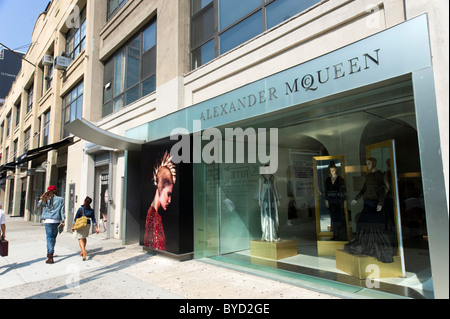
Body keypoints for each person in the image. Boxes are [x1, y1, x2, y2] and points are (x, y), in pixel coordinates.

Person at [345, 157, 396, 263]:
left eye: (368, 163)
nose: (367, 165)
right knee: (363, 223)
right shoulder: (368, 175)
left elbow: (381, 190)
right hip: (367, 203)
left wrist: (381, 203)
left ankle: (375, 246)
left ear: (373, 163)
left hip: (374, 203)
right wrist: (356, 198)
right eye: (366, 163)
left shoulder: (379, 175)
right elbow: (364, 189)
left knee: (374, 226)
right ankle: (366, 244)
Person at [144, 151, 176, 251]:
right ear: (160, 188)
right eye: (168, 194)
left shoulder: (154, 215)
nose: (169, 200)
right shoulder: (153, 218)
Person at [38, 185, 65, 264]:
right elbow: (62, 211)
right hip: (56, 221)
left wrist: (42, 197)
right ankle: (51, 252)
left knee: (49, 238)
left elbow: (38, 205)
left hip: (48, 221)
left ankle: (50, 256)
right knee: (53, 238)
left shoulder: (46, 199)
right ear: (56, 191)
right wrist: (63, 220)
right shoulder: (61, 199)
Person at [324, 161, 347, 241]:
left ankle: (341, 235)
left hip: (338, 200)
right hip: (331, 201)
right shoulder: (327, 180)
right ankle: (334, 234)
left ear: (336, 169)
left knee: (339, 217)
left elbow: (343, 191)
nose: (332, 171)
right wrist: (326, 200)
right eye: (330, 170)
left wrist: (344, 201)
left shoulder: (340, 179)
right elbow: (326, 190)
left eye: (333, 170)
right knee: (333, 218)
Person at [71, 196, 99, 261]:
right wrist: (96, 228)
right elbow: (93, 220)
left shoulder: (81, 209)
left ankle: (84, 251)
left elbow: (75, 218)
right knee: (84, 237)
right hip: (87, 224)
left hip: (81, 224)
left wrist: (73, 226)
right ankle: (82, 251)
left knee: (80, 238)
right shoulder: (91, 210)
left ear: (84, 201)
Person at [258, 165, 281, 242]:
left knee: (273, 215)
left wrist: (277, 199)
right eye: (265, 169)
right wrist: (259, 199)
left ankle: (273, 234)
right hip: (264, 198)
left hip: (272, 198)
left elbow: (275, 188)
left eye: (268, 168)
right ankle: (266, 235)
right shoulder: (261, 178)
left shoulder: (273, 177)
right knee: (265, 215)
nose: (267, 170)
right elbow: (260, 189)